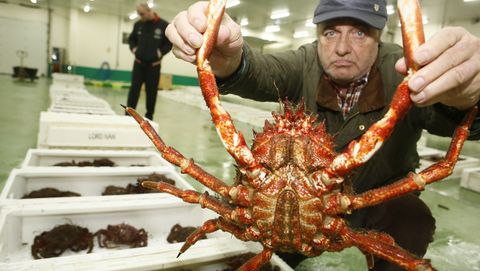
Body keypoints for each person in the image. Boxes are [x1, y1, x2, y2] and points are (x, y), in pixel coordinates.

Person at [165, 0, 480, 270]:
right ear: (317, 34)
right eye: (331, 32)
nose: (342, 47)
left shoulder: (411, 71)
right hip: (285, 210)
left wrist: (467, 98)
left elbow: (451, 120)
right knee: (256, 228)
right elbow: (258, 70)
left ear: (380, 36)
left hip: (371, 200)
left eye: (359, 32)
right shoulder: (304, 62)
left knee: (411, 218)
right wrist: (230, 61)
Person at [127, 3, 172, 121]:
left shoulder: (163, 25)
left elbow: (169, 43)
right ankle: (128, 114)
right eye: (138, 14)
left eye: (142, 14)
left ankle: (149, 116)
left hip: (154, 66)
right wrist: (134, 48)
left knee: (151, 91)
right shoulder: (138, 25)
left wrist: (161, 52)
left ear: (149, 10)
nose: (140, 16)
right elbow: (131, 39)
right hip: (138, 64)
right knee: (134, 90)